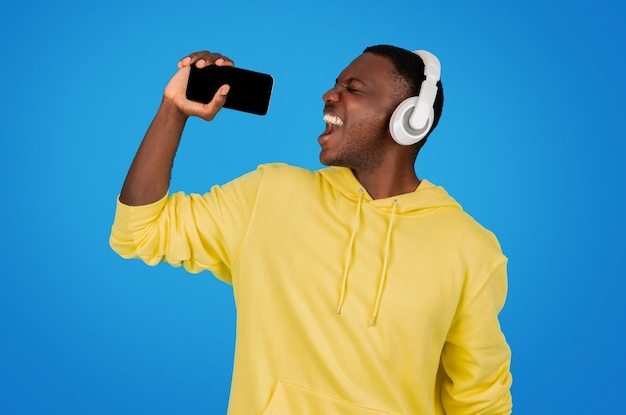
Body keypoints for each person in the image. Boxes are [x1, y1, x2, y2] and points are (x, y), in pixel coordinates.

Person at [110, 45, 513, 415]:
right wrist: (172, 110)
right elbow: (139, 231)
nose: (329, 95)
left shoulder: (469, 248)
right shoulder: (269, 195)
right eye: (335, 84)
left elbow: (480, 402)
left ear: (411, 119)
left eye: (353, 88)